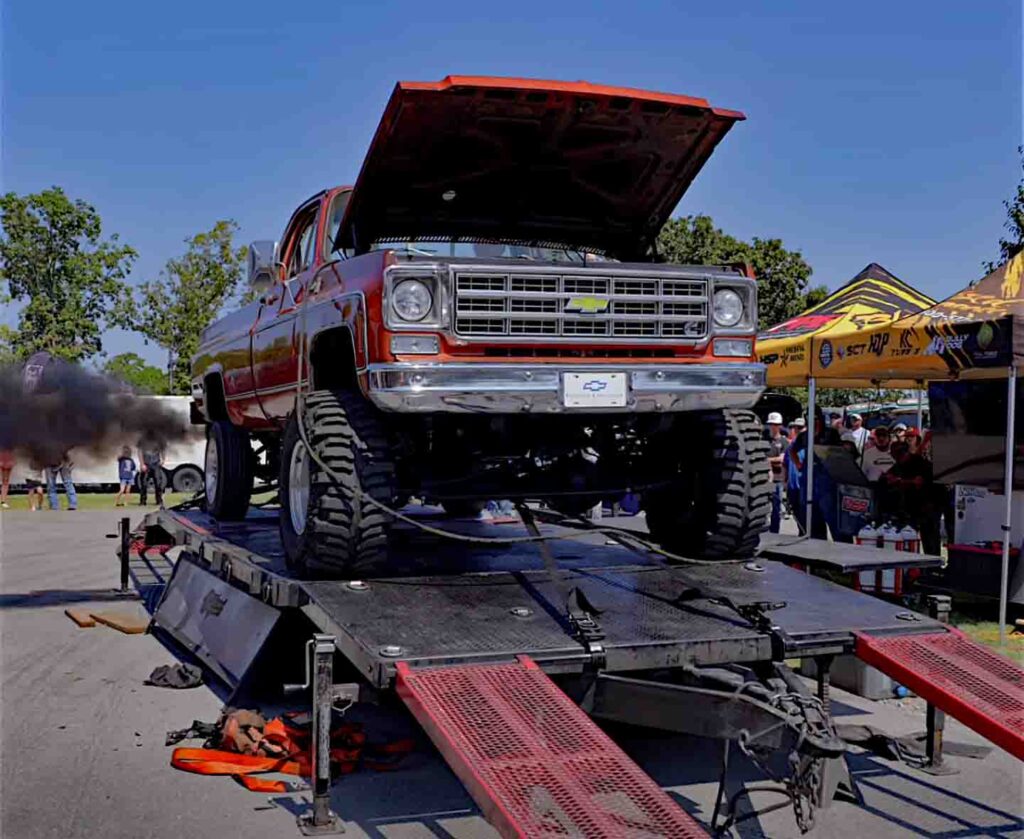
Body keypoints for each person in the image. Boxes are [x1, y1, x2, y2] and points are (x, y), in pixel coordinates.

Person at [883, 441, 941, 555]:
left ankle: (933, 564)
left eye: (897, 455)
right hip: (911, 507)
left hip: (929, 504)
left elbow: (918, 482)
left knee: (930, 537)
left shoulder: (921, 464)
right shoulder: (898, 465)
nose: (896, 458)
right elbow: (889, 477)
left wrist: (900, 481)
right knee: (909, 536)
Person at [764, 412, 787, 533]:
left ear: (779, 425)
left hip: (777, 478)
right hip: (764, 477)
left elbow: (782, 459)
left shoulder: (783, 441)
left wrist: (767, 460)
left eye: (775, 424)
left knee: (776, 507)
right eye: (771, 424)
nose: (773, 426)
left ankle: (774, 531)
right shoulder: (765, 441)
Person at [138, 432, 166, 507]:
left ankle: (159, 500)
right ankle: (143, 501)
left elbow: (162, 450)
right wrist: (142, 464)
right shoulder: (143, 441)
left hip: (156, 464)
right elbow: (140, 452)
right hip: (146, 464)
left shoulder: (158, 441)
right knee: (143, 484)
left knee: (158, 484)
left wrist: (163, 460)